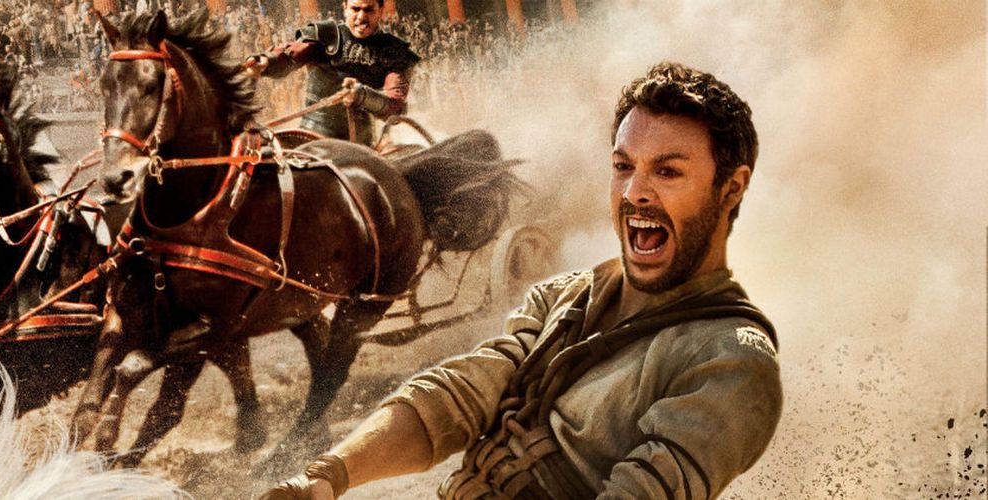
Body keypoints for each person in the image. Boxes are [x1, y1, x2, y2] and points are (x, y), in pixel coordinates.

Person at [261, 61, 778, 499]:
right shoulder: (565, 296)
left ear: (731, 189)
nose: (633, 193)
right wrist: (323, 479)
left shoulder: (731, 359)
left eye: (667, 172)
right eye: (624, 166)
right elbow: (464, 392)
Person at [243, 0, 419, 146]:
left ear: (380, 10)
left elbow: (395, 105)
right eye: (355, 9)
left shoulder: (394, 50)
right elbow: (291, 56)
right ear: (345, 8)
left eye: (368, 10)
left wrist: (362, 96)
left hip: (360, 146)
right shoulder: (327, 35)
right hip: (311, 136)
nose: (361, 17)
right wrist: (266, 62)